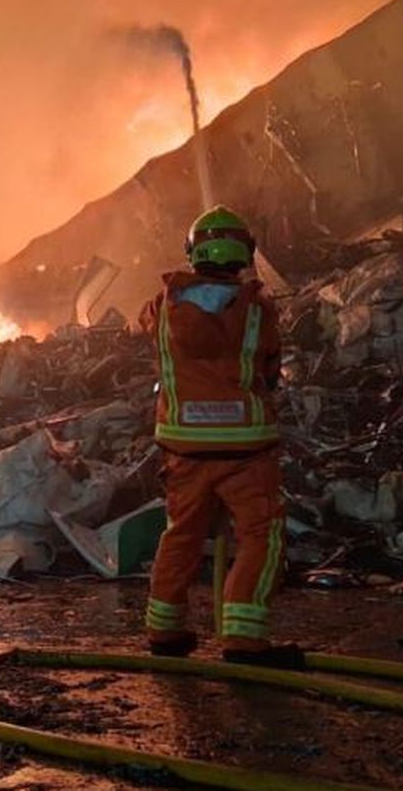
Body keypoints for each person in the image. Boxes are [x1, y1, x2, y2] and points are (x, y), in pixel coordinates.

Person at [138, 204, 291, 665]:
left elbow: (147, 332)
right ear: (244, 253)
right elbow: (270, 371)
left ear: (193, 252)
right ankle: (243, 639)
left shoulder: (160, 307)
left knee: (181, 534)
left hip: (183, 448)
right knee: (261, 535)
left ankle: (164, 632)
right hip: (246, 450)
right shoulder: (257, 310)